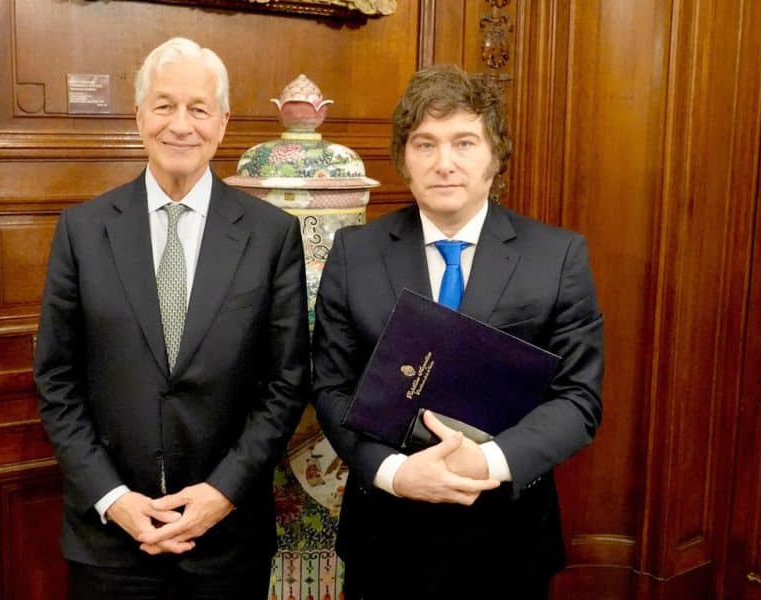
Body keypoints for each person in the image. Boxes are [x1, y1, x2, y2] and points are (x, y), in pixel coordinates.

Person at [312, 64, 604, 599]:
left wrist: (488, 461)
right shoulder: (356, 254)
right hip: (385, 535)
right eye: (425, 144)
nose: (444, 163)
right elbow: (331, 387)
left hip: (508, 538)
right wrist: (394, 472)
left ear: (496, 155)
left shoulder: (557, 257)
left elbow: (578, 400)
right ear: (404, 159)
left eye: (464, 142)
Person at [34, 37, 311, 600]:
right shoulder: (83, 232)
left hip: (227, 538)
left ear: (223, 122)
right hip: (111, 541)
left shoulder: (271, 236)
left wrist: (223, 492)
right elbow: (56, 380)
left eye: (198, 108)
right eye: (164, 105)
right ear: (139, 116)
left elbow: (286, 382)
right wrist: (114, 499)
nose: (180, 125)